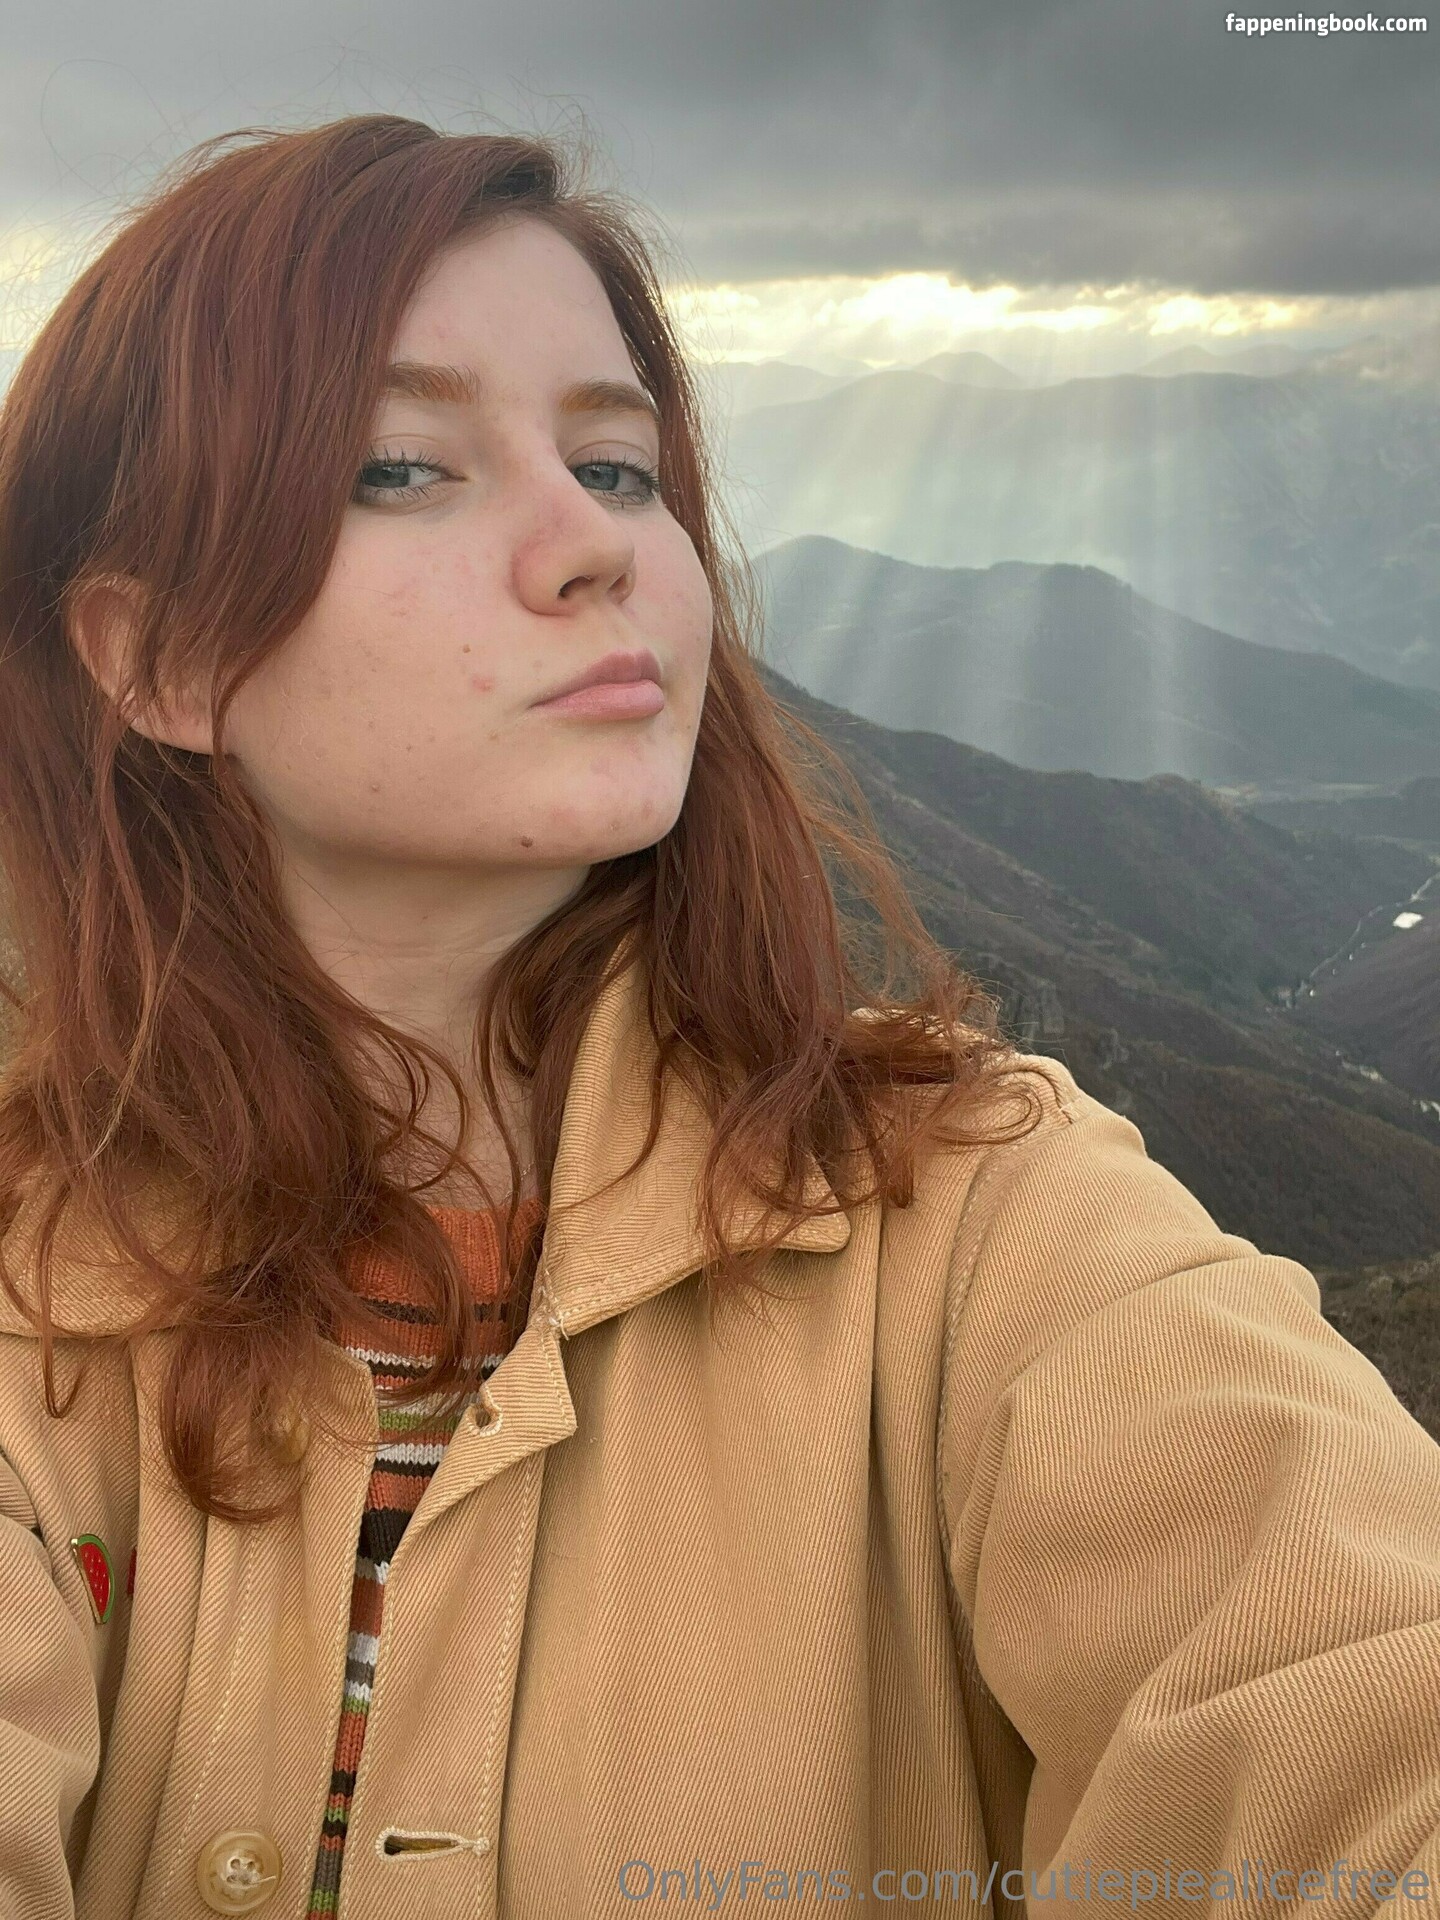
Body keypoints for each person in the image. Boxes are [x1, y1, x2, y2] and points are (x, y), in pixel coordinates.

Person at [0, 113, 1436, 1920]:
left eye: (619, 468)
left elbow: (1353, 1703)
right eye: (401, 468)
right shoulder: (29, 1302)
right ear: (156, 656)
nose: (592, 548)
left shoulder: (991, 1228)